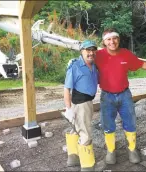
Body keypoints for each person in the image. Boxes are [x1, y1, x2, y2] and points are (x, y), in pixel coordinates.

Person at [95, 28, 146, 165]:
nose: (112, 42)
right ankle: (111, 151)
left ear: (118, 39)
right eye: (109, 39)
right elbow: (85, 61)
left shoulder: (126, 54)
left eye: (115, 38)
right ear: (104, 42)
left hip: (125, 95)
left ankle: (132, 149)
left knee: (130, 122)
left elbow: (142, 65)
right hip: (107, 96)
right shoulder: (98, 55)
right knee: (107, 124)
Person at [63, 40, 98, 171]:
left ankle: (73, 158)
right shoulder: (75, 66)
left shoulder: (93, 65)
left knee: (76, 129)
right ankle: (88, 167)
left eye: (93, 50)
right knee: (86, 133)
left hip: (87, 102)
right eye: (87, 50)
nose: (91, 53)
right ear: (81, 51)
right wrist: (68, 109)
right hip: (81, 103)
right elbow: (67, 89)